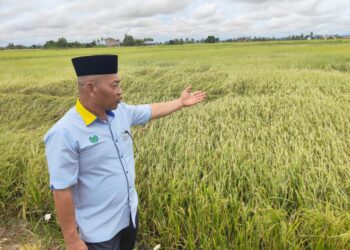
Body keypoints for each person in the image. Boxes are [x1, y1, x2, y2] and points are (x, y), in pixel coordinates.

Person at [43, 55, 206, 250]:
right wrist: (72, 241)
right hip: (98, 232)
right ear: (91, 88)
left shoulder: (120, 113)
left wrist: (180, 102)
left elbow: (151, 110)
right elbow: (62, 190)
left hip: (128, 216)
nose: (120, 92)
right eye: (114, 86)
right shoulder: (65, 133)